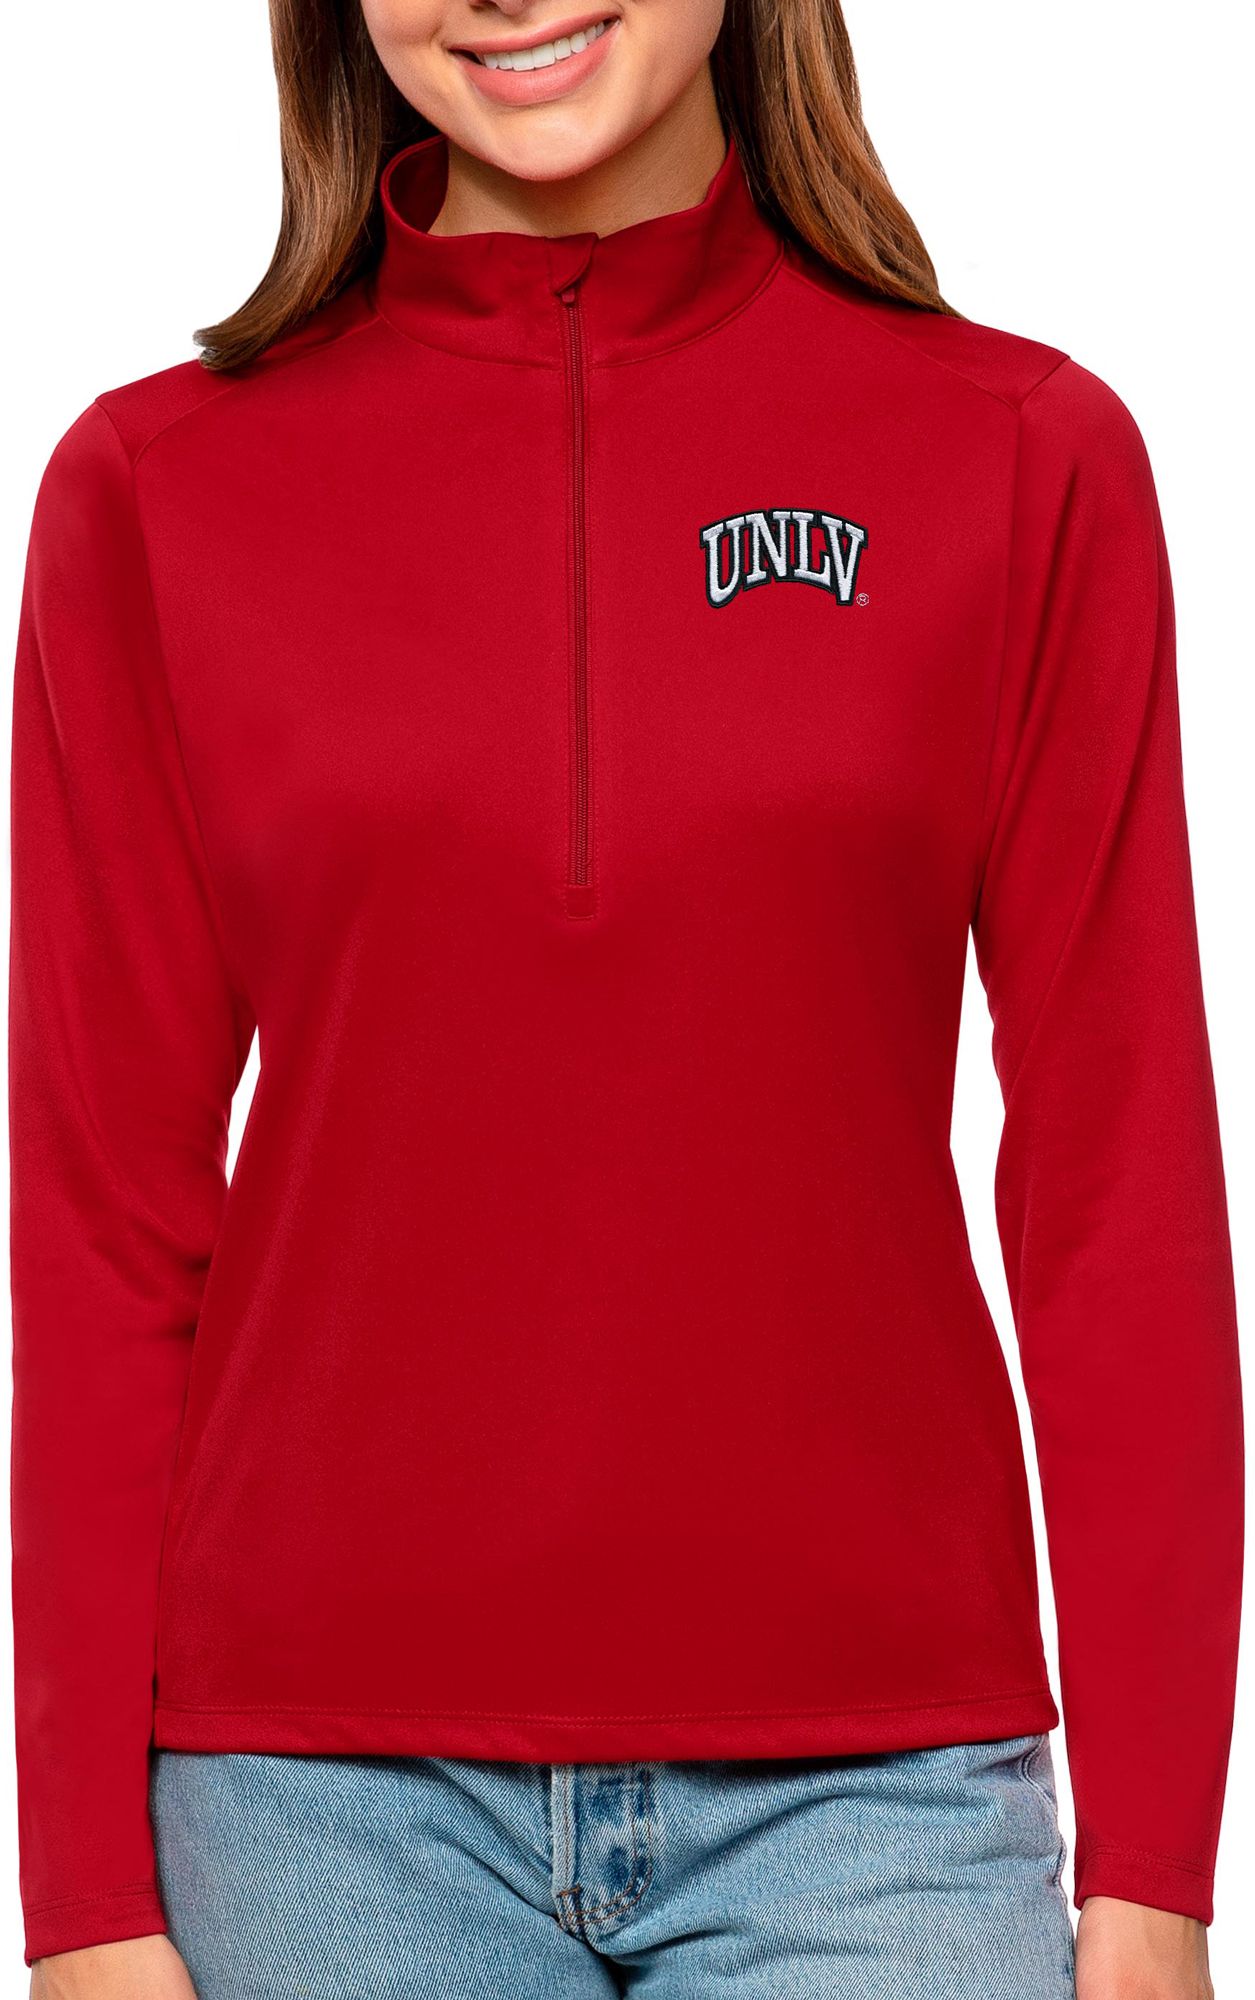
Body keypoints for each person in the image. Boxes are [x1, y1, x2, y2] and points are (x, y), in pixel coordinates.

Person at [8, 3, 1243, 1997]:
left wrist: (1157, 1875)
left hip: (884, 1801)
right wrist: (81, 1902)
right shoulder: (153, 489)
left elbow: (1118, 1191)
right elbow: (96, 1223)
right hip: (314, 1807)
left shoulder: (1020, 455)